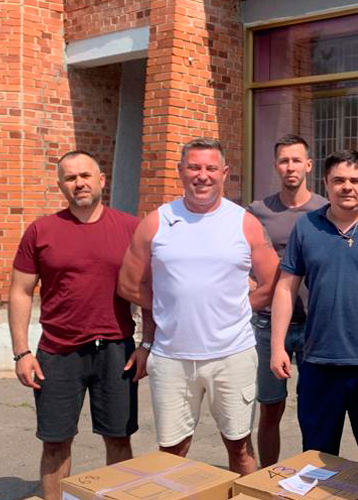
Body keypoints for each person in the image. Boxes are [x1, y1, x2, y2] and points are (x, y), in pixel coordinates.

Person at [118, 138, 279, 475]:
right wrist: (168, 308)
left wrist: (234, 308)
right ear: (180, 171)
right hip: (172, 356)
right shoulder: (156, 222)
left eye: (210, 168)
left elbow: (270, 284)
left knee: (240, 446)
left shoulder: (244, 222)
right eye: (193, 167)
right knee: (172, 451)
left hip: (232, 354)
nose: (202, 175)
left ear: (224, 173)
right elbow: (129, 285)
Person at [8, 151, 148, 500]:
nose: (79, 183)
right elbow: (20, 291)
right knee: (55, 443)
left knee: (119, 438)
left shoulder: (131, 228)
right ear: (60, 186)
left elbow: (149, 290)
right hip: (57, 352)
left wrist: (147, 344)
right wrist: (21, 352)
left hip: (116, 350)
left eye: (85, 175)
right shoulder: (41, 231)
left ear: (102, 180)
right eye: (70, 178)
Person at [270, 149, 358, 458]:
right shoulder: (307, 226)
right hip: (319, 364)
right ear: (326, 184)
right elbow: (285, 288)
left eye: (355, 180)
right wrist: (277, 346)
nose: (347, 187)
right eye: (338, 180)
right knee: (317, 459)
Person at [247, 135, 328, 467]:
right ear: (275, 166)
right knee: (270, 406)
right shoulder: (258, 211)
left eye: (296, 160)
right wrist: (252, 285)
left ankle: (314, 474)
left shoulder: (325, 210)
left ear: (309, 165)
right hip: (268, 323)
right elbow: (242, 257)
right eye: (284, 161)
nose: (290, 167)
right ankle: (267, 475)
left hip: (314, 323)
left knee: (314, 406)